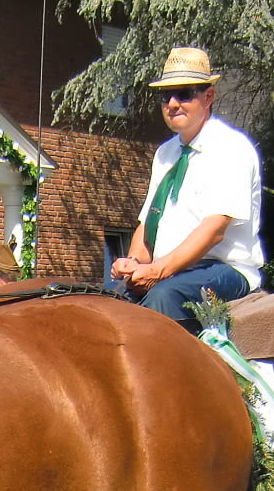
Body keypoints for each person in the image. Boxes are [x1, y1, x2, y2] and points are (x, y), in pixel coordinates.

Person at [109, 47, 263, 332]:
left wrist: (157, 270)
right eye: (165, 96)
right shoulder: (165, 153)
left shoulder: (231, 148)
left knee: (165, 296)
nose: (172, 103)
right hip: (171, 270)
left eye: (183, 94)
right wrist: (133, 263)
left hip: (225, 270)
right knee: (105, 300)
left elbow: (214, 230)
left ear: (208, 96)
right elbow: (149, 223)